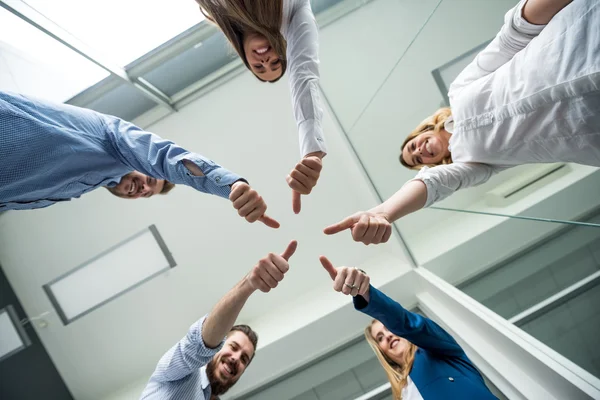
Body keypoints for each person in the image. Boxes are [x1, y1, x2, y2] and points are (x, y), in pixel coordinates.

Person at [323, 0, 599, 245]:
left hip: (581, 37)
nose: (418, 151)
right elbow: (434, 185)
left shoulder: (459, 90)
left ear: (421, 131)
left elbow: (513, 36)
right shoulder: (472, 163)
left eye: (412, 147)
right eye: (417, 160)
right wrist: (383, 212)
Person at [0, 91, 278, 228]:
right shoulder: (111, 139)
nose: (143, 189)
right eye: (148, 178)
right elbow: (164, 157)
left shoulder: (75, 189)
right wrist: (230, 186)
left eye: (147, 193)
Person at [195, 0, 326, 214]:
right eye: (275, 62)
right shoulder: (294, 13)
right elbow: (304, 76)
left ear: (244, 56)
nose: (265, 61)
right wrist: (312, 152)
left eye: (258, 67)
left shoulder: (220, 9)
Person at [319, 256, 498, 400]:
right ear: (381, 351)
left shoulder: (439, 351)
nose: (387, 336)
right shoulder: (402, 394)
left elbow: (403, 322)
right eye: (380, 338)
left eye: (388, 329)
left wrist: (364, 291)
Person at [141, 240, 298, 399]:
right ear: (219, 345)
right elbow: (199, 346)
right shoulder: (177, 374)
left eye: (244, 359)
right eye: (233, 346)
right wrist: (249, 284)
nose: (236, 358)